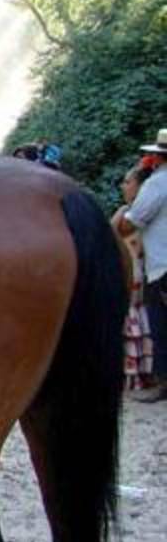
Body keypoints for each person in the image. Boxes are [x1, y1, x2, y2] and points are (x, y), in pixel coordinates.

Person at [118, 129, 167, 402]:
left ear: (158, 157)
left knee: (161, 323)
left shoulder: (158, 183)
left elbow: (133, 221)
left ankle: (163, 380)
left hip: (163, 263)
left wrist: (122, 218)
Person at [115, 162, 155, 390]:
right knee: (137, 319)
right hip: (134, 269)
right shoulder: (129, 212)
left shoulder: (137, 213)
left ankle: (139, 374)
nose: (124, 185)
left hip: (138, 270)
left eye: (128, 181)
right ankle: (137, 373)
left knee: (137, 316)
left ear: (141, 187)